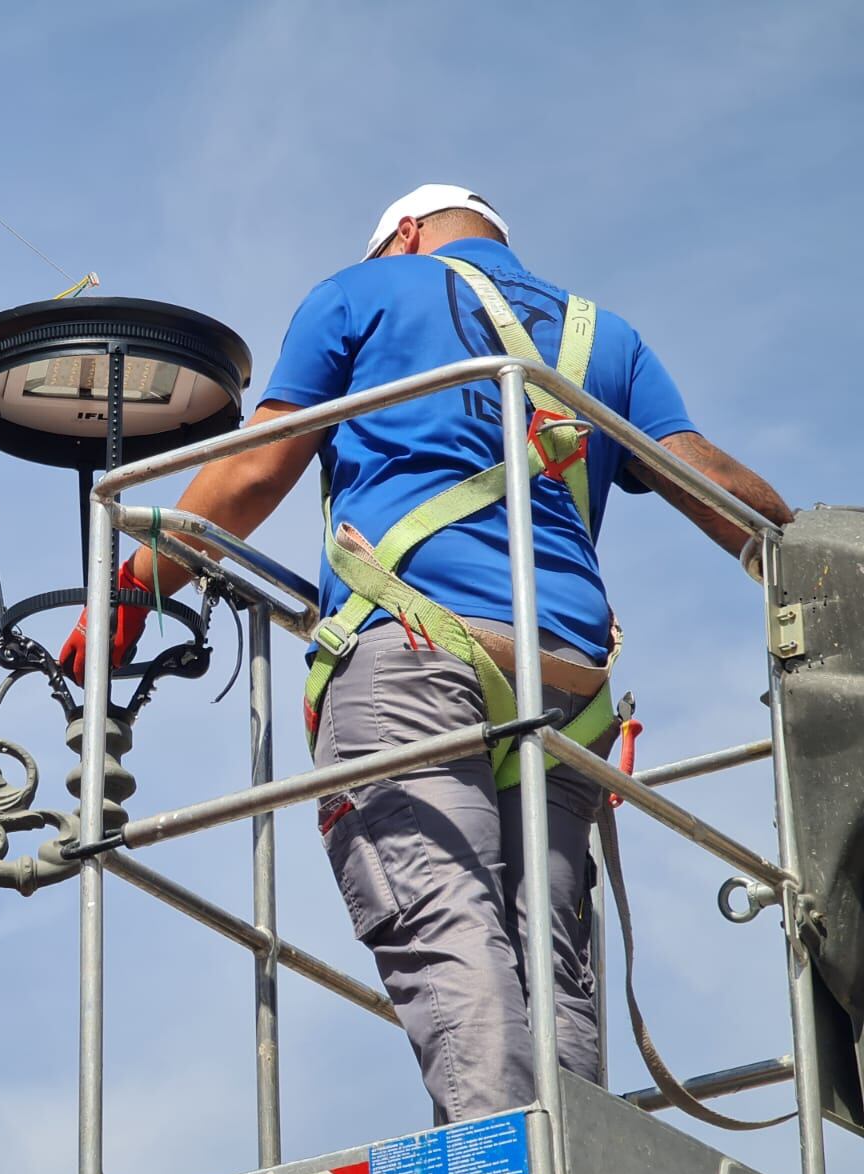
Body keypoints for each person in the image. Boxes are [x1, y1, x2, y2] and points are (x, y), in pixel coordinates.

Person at [58, 184, 794, 1124]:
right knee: (549, 958)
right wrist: (809, 554)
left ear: (404, 236)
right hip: (568, 681)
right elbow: (711, 482)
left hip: (415, 648)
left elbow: (251, 471)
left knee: (442, 914)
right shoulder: (606, 339)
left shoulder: (362, 294)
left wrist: (129, 591)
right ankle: (572, 1167)